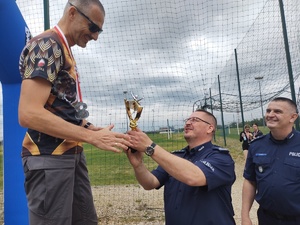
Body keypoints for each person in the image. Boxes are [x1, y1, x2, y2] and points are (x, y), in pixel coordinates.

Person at [18, 1, 130, 224]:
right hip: (48, 156)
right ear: (72, 13)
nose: (96, 36)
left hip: (71, 153)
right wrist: (92, 137)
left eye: (99, 30)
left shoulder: (64, 49)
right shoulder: (47, 45)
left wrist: (88, 127)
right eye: (93, 28)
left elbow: (62, 104)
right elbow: (28, 113)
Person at [125, 109, 236, 225]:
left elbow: (194, 177)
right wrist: (138, 165)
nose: (188, 123)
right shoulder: (176, 157)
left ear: (210, 128)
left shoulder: (221, 158)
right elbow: (150, 183)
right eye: (187, 120)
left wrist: (150, 147)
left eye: (195, 120)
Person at [241, 97, 300, 225]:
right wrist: (245, 216)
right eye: (268, 111)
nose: (270, 115)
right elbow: (250, 181)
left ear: (293, 117)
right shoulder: (256, 145)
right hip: (266, 218)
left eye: (277, 111)